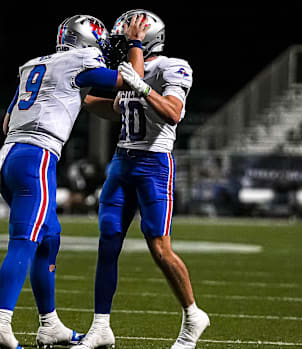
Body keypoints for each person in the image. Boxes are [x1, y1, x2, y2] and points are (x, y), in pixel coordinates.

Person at [0, 14, 149, 349]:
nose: (102, 50)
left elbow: (7, 121)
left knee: (49, 238)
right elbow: (133, 81)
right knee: (24, 241)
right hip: (37, 158)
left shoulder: (35, 64)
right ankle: (0, 320)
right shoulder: (79, 60)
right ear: (86, 40)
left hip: (10, 155)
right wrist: (135, 45)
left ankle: (49, 325)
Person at [73, 9, 209, 349]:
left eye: (128, 41)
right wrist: (77, 97)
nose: (120, 47)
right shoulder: (131, 71)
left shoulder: (171, 66)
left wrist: (142, 86)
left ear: (145, 40)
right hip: (121, 161)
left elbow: (173, 113)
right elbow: (116, 107)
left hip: (153, 165)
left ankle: (193, 316)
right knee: (107, 244)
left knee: (160, 249)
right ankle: (101, 327)